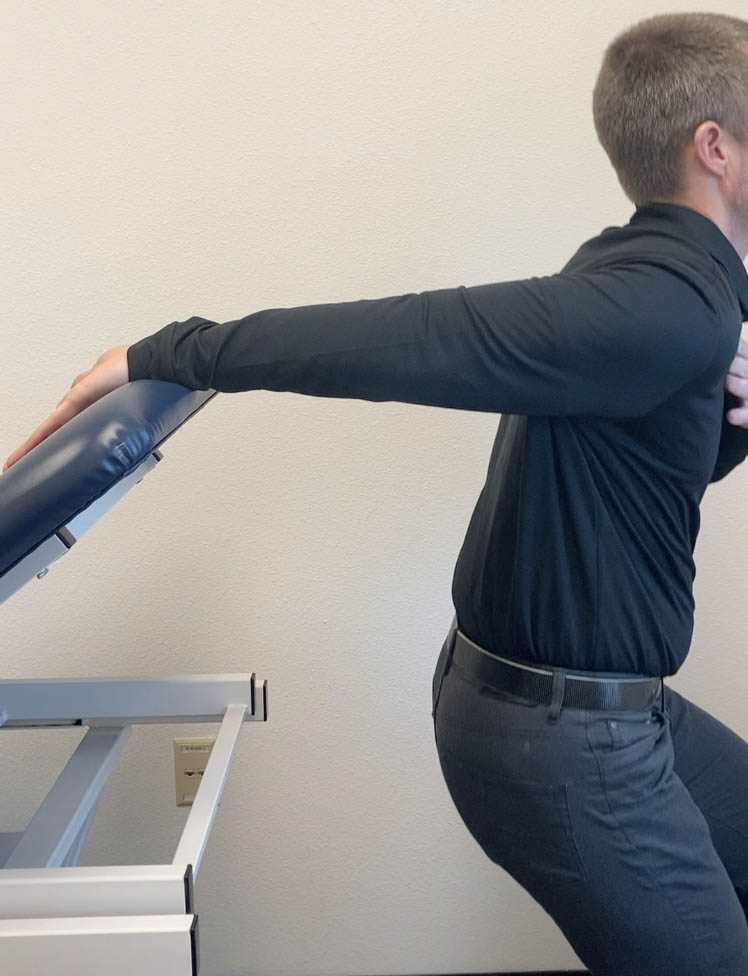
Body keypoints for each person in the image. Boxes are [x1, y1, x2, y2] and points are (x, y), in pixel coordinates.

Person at [4, 9, 748, 973]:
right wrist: (172, 351)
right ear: (715, 146)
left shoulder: (653, 281)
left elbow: (645, 478)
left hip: (585, 707)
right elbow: (422, 337)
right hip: (567, 739)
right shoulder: (666, 305)